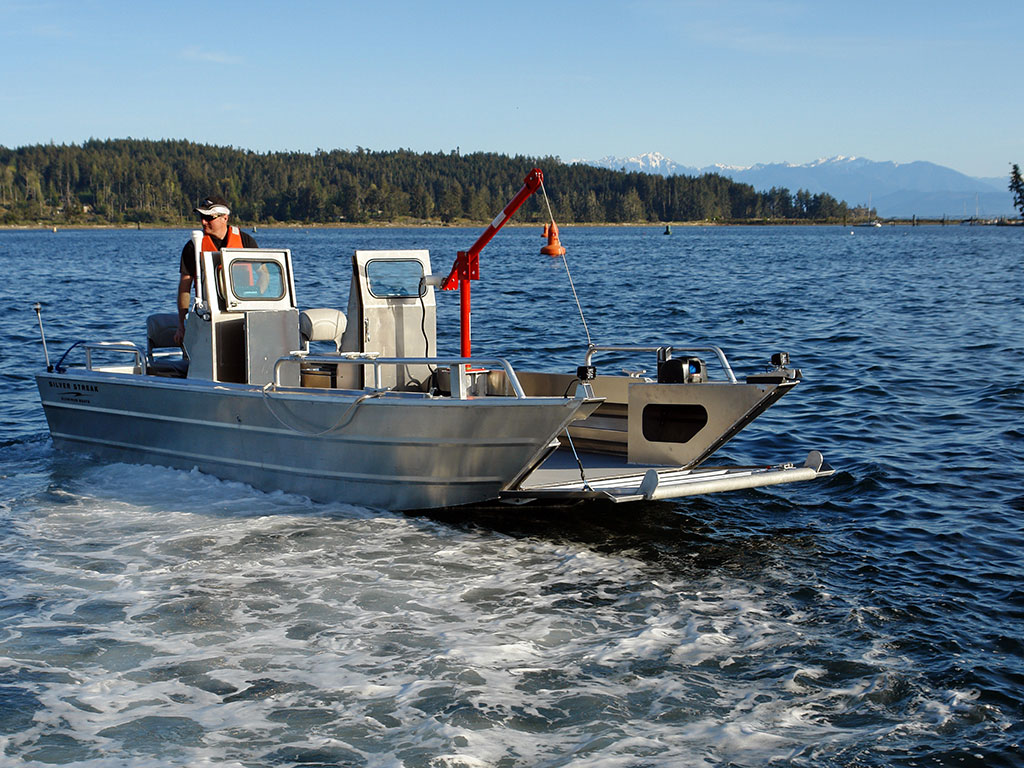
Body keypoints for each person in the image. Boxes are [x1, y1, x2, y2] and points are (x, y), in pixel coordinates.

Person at [174, 195, 258, 344]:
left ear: (224, 218)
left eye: (209, 218)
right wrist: (182, 324)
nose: (203, 222)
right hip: (208, 315)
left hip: (242, 313)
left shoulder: (246, 242)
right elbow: (184, 287)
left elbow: (264, 274)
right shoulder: (193, 246)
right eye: (201, 217)